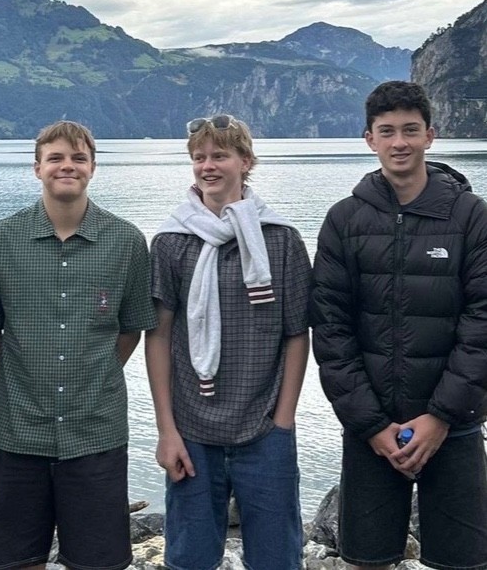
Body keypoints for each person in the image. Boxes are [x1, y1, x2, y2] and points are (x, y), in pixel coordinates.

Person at [310, 80, 487, 570]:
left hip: (455, 423)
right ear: (369, 139)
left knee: (463, 562)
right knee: (366, 560)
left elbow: (482, 323)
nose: (399, 142)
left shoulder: (471, 217)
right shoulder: (344, 220)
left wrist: (440, 416)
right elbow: (330, 328)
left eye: (410, 130)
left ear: (430, 134)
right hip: (372, 427)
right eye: (386, 131)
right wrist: (370, 423)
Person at [0, 120, 157, 570]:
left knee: (98, 562)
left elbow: (131, 329)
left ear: (93, 167)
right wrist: (18, 376)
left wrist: (93, 375)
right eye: (55, 158)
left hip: (96, 430)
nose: (66, 166)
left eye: (78, 158)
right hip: (18, 430)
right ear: (37, 168)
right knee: (13, 562)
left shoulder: (127, 242)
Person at [145, 114, 311, 569]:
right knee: (189, 558)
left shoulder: (281, 239)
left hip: (265, 428)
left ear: (246, 161)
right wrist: (166, 430)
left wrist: (283, 420)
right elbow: (158, 337)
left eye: (219, 155)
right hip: (191, 430)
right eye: (199, 157)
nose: (208, 166)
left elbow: (297, 334)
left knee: (277, 558)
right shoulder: (171, 241)